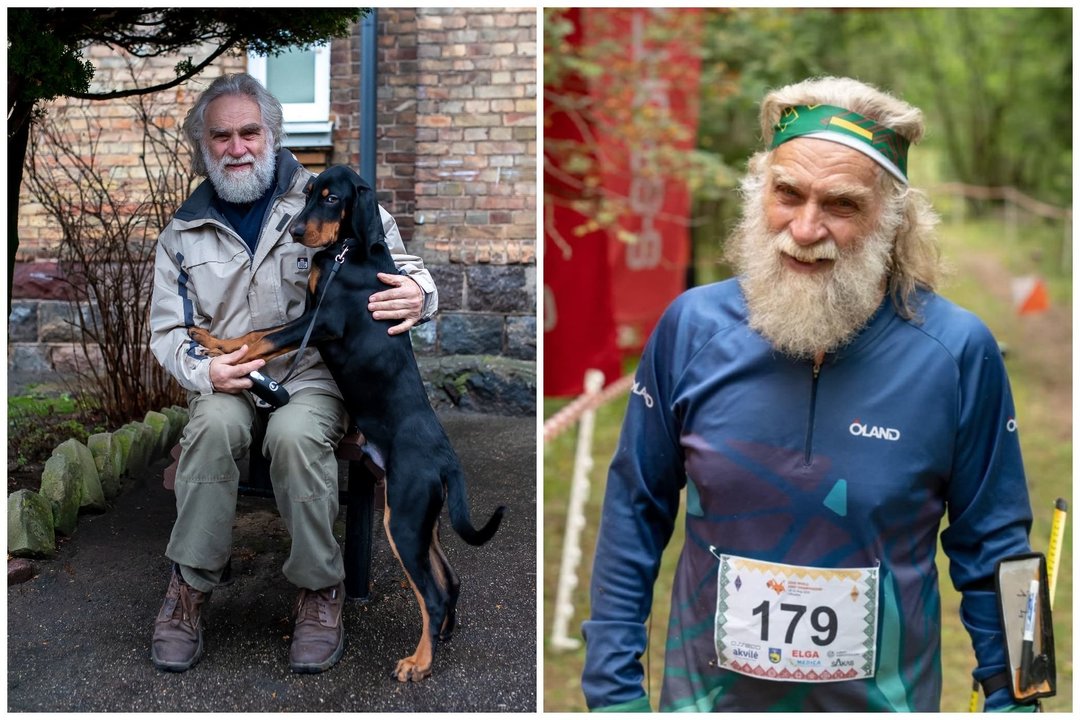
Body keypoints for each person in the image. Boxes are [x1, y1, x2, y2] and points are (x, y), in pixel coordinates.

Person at [581, 76, 1034, 711]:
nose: (805, 227)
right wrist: (611, 693)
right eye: (787, 193)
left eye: (841, 205)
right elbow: (635, 508)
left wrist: (1021, 694)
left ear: (890, 219)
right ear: (758, 191)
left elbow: (1000, 549)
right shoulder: (692, 329)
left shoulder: (957, 352)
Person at [148, 73, 438, 674]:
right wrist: (206, 370)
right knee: (211, 430)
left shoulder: (328, 195)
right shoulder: (182, 231)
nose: (237, 147)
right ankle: (189, 588)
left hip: (312, 375)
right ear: (204, 145)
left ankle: (319, 589)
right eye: (221, 136)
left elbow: (400, 262)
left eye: (249, 132)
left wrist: (420, 294)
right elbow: (168, 332)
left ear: (273, 135)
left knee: (295, 436)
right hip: (229, 373)